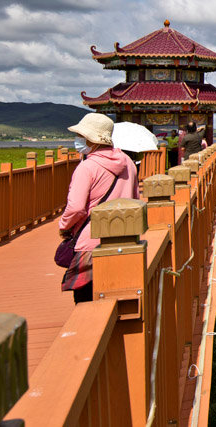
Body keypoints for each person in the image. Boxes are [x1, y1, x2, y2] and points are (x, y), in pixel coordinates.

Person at [58, 113, 140, 303]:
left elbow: (76, 208)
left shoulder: (87, 167)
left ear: (92, 140)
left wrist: (64, 226)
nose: (78, 140)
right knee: (121, 301)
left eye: (81, 136)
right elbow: (136, 202)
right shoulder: (128, 163)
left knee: (87, 303)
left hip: (90, 245)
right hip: (125, 242)